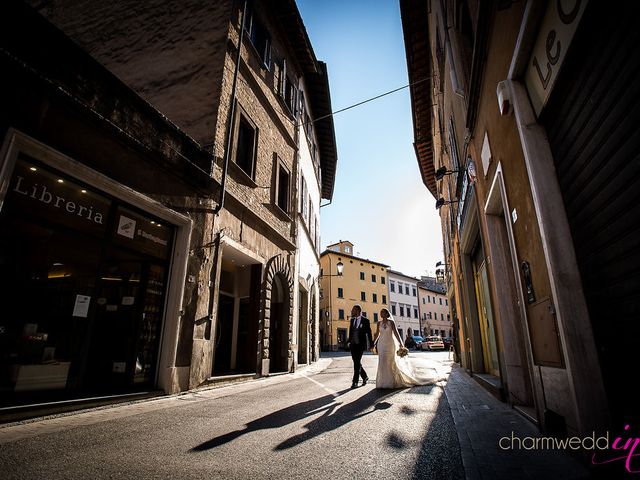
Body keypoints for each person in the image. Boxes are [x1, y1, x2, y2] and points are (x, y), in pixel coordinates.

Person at [373, 308, 424, 389]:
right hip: (381, 344)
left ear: (386, 314)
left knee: (390, 362)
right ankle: (382, 382)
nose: (381, 314)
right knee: (382, 361)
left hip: (390, 344)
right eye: (380, 312)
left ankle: (391, 382)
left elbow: (396, 332)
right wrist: (374, 343)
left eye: (382, 312)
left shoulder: (391, 322)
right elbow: (377, 334)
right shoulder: (379, 323)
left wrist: (400, 343)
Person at [347, 304, 373, 388]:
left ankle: (355, 382)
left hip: (361, 344)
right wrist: (348, 341)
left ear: (358, 311)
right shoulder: (352, 320)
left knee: (356, 363)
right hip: (353, 344)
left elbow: (369, 333)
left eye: (353, 310)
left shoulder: (365, 320)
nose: (352, 311)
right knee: (356, 362)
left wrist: (371, 344)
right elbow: (351, 332)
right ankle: (365, 377)